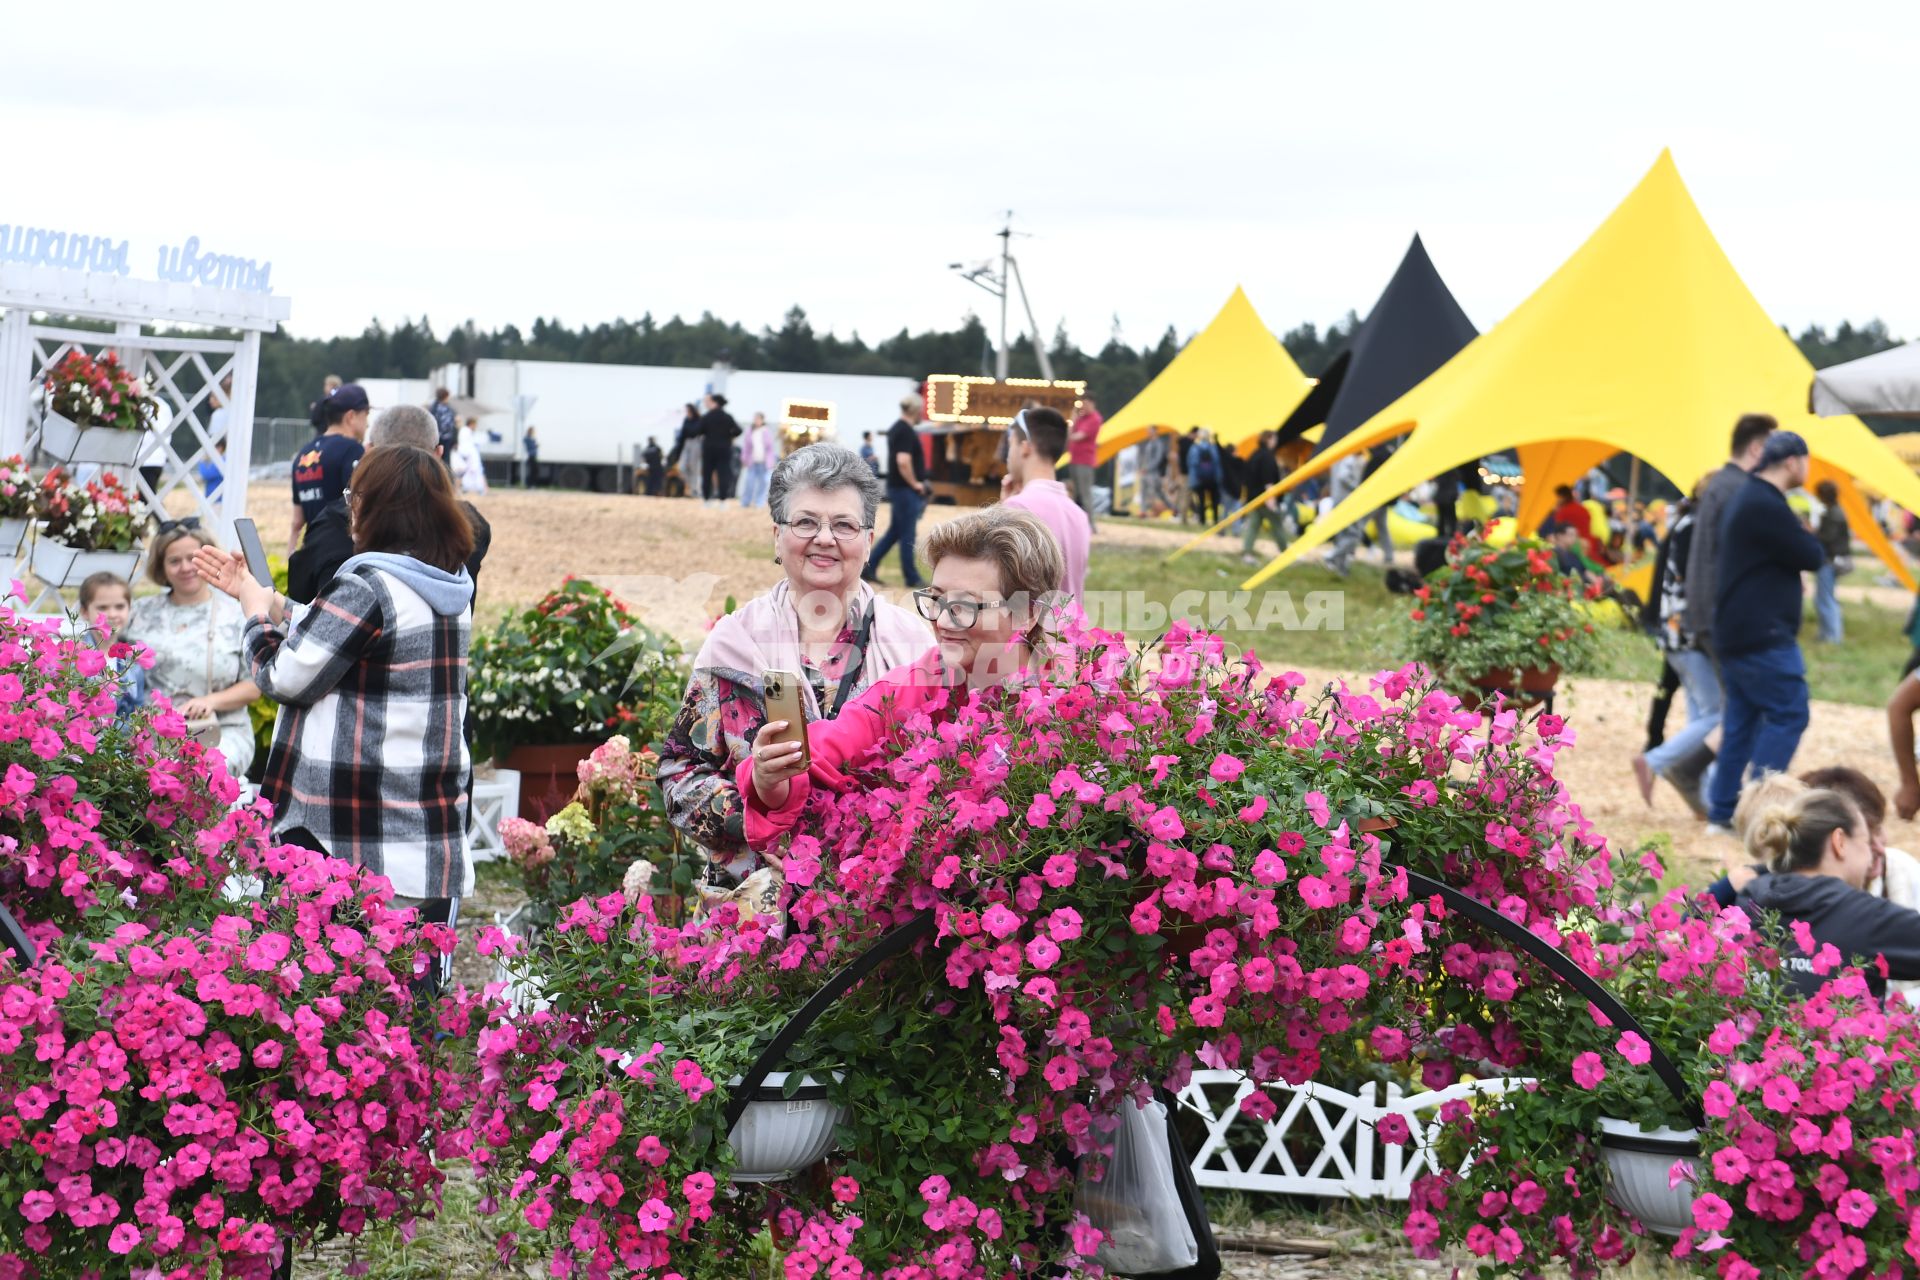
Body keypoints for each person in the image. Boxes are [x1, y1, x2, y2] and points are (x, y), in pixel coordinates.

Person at [196, 445, 477, 990]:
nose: (350, 506)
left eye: (355, 495)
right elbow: (349, 637)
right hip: (420, 830)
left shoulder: (368, 585)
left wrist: (255, 613)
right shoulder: (446, 585)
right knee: (405, 1005)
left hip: (348, 832)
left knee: (336, 1000)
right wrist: (273, 602)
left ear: (377, 506)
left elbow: (284, 677)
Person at [657, 443, 932, 890]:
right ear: (777, 537)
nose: (824, 538)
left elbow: (945, 771)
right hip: (753, 912)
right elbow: (680, 775)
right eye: (805, 522)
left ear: (867, 540)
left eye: (844, 525)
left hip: (878, 905)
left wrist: (862, 842)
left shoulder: (915, 646)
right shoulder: (734, 645)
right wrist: (756, 813)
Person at [741, 506, 1064, 850]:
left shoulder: (1078, 703)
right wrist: (769, 776)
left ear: (1028, 614)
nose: (942, 621)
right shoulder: (915, 688)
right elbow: (826, 749)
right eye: (936, 600)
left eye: (966, 607)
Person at [1705, 430, 1825, 833]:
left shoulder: (1751, 496)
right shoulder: (1766, 504)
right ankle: (1761, 811)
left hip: (1738, 629)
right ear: (1793, 461)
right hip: (1763, 632)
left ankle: (1722, 811)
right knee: (1790, 711)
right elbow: (1812, 555)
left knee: (1742, 720)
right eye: (1806, 461)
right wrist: (1805, 533)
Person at [288, 405, 491, 604]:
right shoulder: (469, 527)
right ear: (438, 453)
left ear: (368, 452)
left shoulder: (335, 524)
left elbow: (300, 596)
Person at [1734, 786, 1920, 999]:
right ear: (1839, 841)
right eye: (1866, 841)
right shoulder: (1865, 917)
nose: (1871, 857)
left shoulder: (1749, 899)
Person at [126, 524, 261, 778]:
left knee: (199, 773)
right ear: (161, 567)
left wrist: (210, 701)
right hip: (154, 734)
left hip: (219, 730)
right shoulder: (140, 613)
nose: (185, 567)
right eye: (174, 561)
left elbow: (254, 686)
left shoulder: (235, 615)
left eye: (193, 558)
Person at [1632, 484, 1717, 816]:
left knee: (1700, 715)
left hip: (1673, 634)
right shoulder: (1696, 527)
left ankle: (1704, 799)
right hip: (1688, 634)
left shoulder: (1683, 522)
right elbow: (1695, 584)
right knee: (1717, 717)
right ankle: (1654, 761)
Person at [1687, 414, 1776, 661]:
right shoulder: (1739, 490)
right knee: (1739, 696)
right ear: (1756, 449)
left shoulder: (1722, 484)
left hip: (1712, 610)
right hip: (1725, 614)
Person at [1000, 407, 1091, 601]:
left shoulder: (1018, 508)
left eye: (1011, 445)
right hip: (1069, 628)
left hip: (1033, 629)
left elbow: (1001, 583)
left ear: (1025, 447)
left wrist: (1000, 511)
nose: (1008, 456)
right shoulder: (1078, 513)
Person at [290, 383, 368, 554]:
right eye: (366, 415)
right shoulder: (352, 449)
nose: (367, 424)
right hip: (341, 552)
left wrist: (291, 558)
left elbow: (297, 522)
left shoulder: (303, 454)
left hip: (312, 549)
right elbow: (359, 506)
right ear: (351, 416)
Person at [863, 396, 931, 588]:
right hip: (905, 490)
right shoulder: (905, 431)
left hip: (898, 488)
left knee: (895, 532)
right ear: (915, 410)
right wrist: (915, 484)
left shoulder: (897, 428)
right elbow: (903, 461)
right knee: (907, 533)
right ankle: (911, 577)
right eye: (921, 410)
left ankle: (869, 567)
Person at [78, 571, 142, 717]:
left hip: (121, 737)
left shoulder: (132, 660)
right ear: (85, 612)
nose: (112, 614)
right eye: (103, 608)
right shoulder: (76, 656)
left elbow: (137, 708)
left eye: (119, 607)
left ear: (129, 608)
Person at [1239, 430, 1287, 565]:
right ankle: (1286, 553)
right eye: (1274, 439)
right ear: (1269, 439)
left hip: (1254, 497)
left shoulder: (1254, 455)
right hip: (1264, 498)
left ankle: (1247, 553)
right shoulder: (1267, 457)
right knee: (1277, 525)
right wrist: (1271, 500)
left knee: (1253, 526)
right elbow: (1268, 480)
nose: (1276, 442)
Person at [1812, 479, 1849, 644]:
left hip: (1829, 560)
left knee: (1825, 598)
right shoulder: (1835, 511)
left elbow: (1827, 538)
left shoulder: (1833, 513)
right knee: (1827, 597)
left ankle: (1833, 636)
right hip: (1833, 560)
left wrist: (1812, 533)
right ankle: (1828, 634)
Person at [1066, 395, 1102, 531]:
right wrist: (1074, 418)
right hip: (1075, 459)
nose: (1083, 407)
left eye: (1085, 404)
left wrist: (1071, 432)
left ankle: (1092, 526)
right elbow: (1071, 433)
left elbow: (1077, 436)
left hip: (1085, 461)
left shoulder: (1095, 419)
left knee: (1085, 494)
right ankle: (1075, 525)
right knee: (1075, 494)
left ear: (1092, 403)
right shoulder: (1081, 418)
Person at [699, 394, 740, 507]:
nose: (707, 403)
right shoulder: (727, 417)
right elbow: (738, 430)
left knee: (707, 474)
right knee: (723, 474)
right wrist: (728, 435)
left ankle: (707, 500)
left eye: (709, 401)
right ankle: (723, 500)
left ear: (715, 403)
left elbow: (699, 430)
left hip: (709, 449)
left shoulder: (707, 416)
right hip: (724, 449)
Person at [1548, 485, 1601, 562]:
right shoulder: (1582, 509)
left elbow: (1558, 531)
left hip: (1576, 547)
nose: (1556, 500)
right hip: (1590, 544)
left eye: (1557, 497)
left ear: (1563, 497)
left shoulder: (1563, 512)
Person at [739, 412, 777, 508]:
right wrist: (744, 459)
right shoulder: (750, 431)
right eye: (755, 419)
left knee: (764, 482)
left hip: (764, 463)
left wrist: (771, 461)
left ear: (762, 420)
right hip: (752, 462)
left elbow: (770, 448)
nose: (757, 421)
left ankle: (759, 502)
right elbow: (746, 447)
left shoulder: (766, 431)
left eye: (759, 419)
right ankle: (745, 502)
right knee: (749, 482)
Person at [1186, 429, 1223, 529]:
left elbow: (1191, 464)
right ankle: (1215, 520)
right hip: (1213, 480)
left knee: (1201, 501)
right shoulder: (1213, 448)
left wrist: (1194, 480)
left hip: (1199, 480)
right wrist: (1218, 478)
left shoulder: (1194, 448)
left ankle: (1202, 520)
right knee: (1214, 501)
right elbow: (1218, 463)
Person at [453, 418, 489, 496]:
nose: (475, 426)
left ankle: (484, 488)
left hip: (468, 455)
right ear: (471, 424)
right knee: (462, 472)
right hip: (468, 455)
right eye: (475, 425)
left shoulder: (466, 431)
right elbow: (466, 444)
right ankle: (456, 490)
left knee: (465, 472)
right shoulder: (466, 431)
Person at [1139, 426, 1169, 517]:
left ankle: (1171, 508)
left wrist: (1147, 468)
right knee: (1144, 491)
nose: (1148, 433)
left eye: (1150, 431)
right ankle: (1143, 511)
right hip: (1146, 472)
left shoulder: (1158, 443)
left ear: (1155, 432)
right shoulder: (1149, 443)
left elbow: (1158, 459)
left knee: (1157, 493)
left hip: (1154, 473)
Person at [430, 387, 458, 459]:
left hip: (441, 438)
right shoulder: (442, 409)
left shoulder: (435, 407)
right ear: (445, 396)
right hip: (442, 438)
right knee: (442, 459)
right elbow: (449, 425)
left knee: (440, 458)